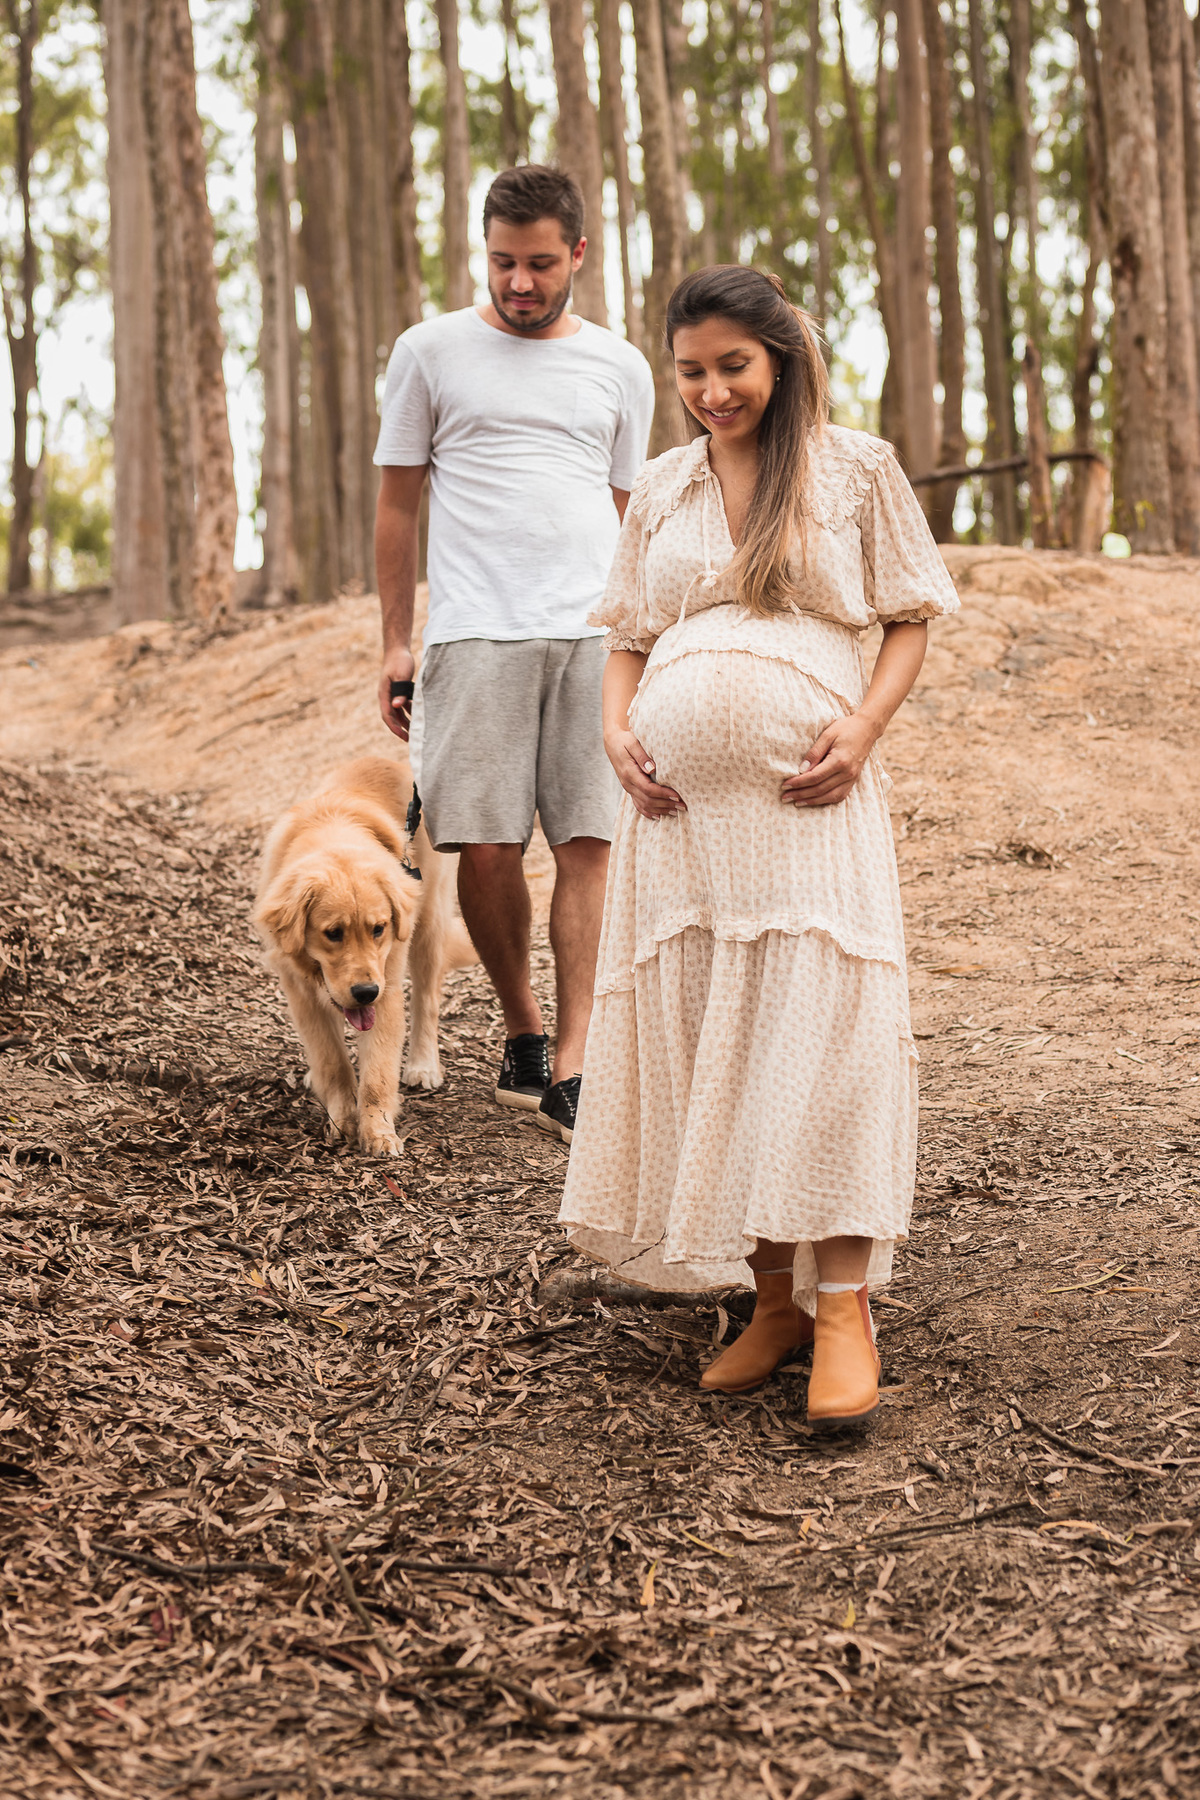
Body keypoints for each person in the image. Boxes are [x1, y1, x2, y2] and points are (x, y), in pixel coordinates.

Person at [557, 265, 960, 1427]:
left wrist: (863, 729)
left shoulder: (855, 469)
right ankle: (770, 1301)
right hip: (683, 828)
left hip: (807, 809)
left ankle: (845, 1309)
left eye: (732, 366)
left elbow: (909, 618)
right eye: (691, 371)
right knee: (719, 1039)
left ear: (779, 356)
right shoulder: (665, 484)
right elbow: (629, 635)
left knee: (820, 1035)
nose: (712, 391)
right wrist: (617, 733)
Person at [374, 166, 655, 1144]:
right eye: (502, 262)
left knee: (588, 842)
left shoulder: (621, 365)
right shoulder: (429, 352)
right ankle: (523, 1031)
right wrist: (396, 641)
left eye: (539, 264)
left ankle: (574, 1064)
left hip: (593, 635)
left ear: (577, 253)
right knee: (485, 847)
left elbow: (630, 510)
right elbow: (397, 505)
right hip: (474, 631)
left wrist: (647, 636)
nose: (519, 282)